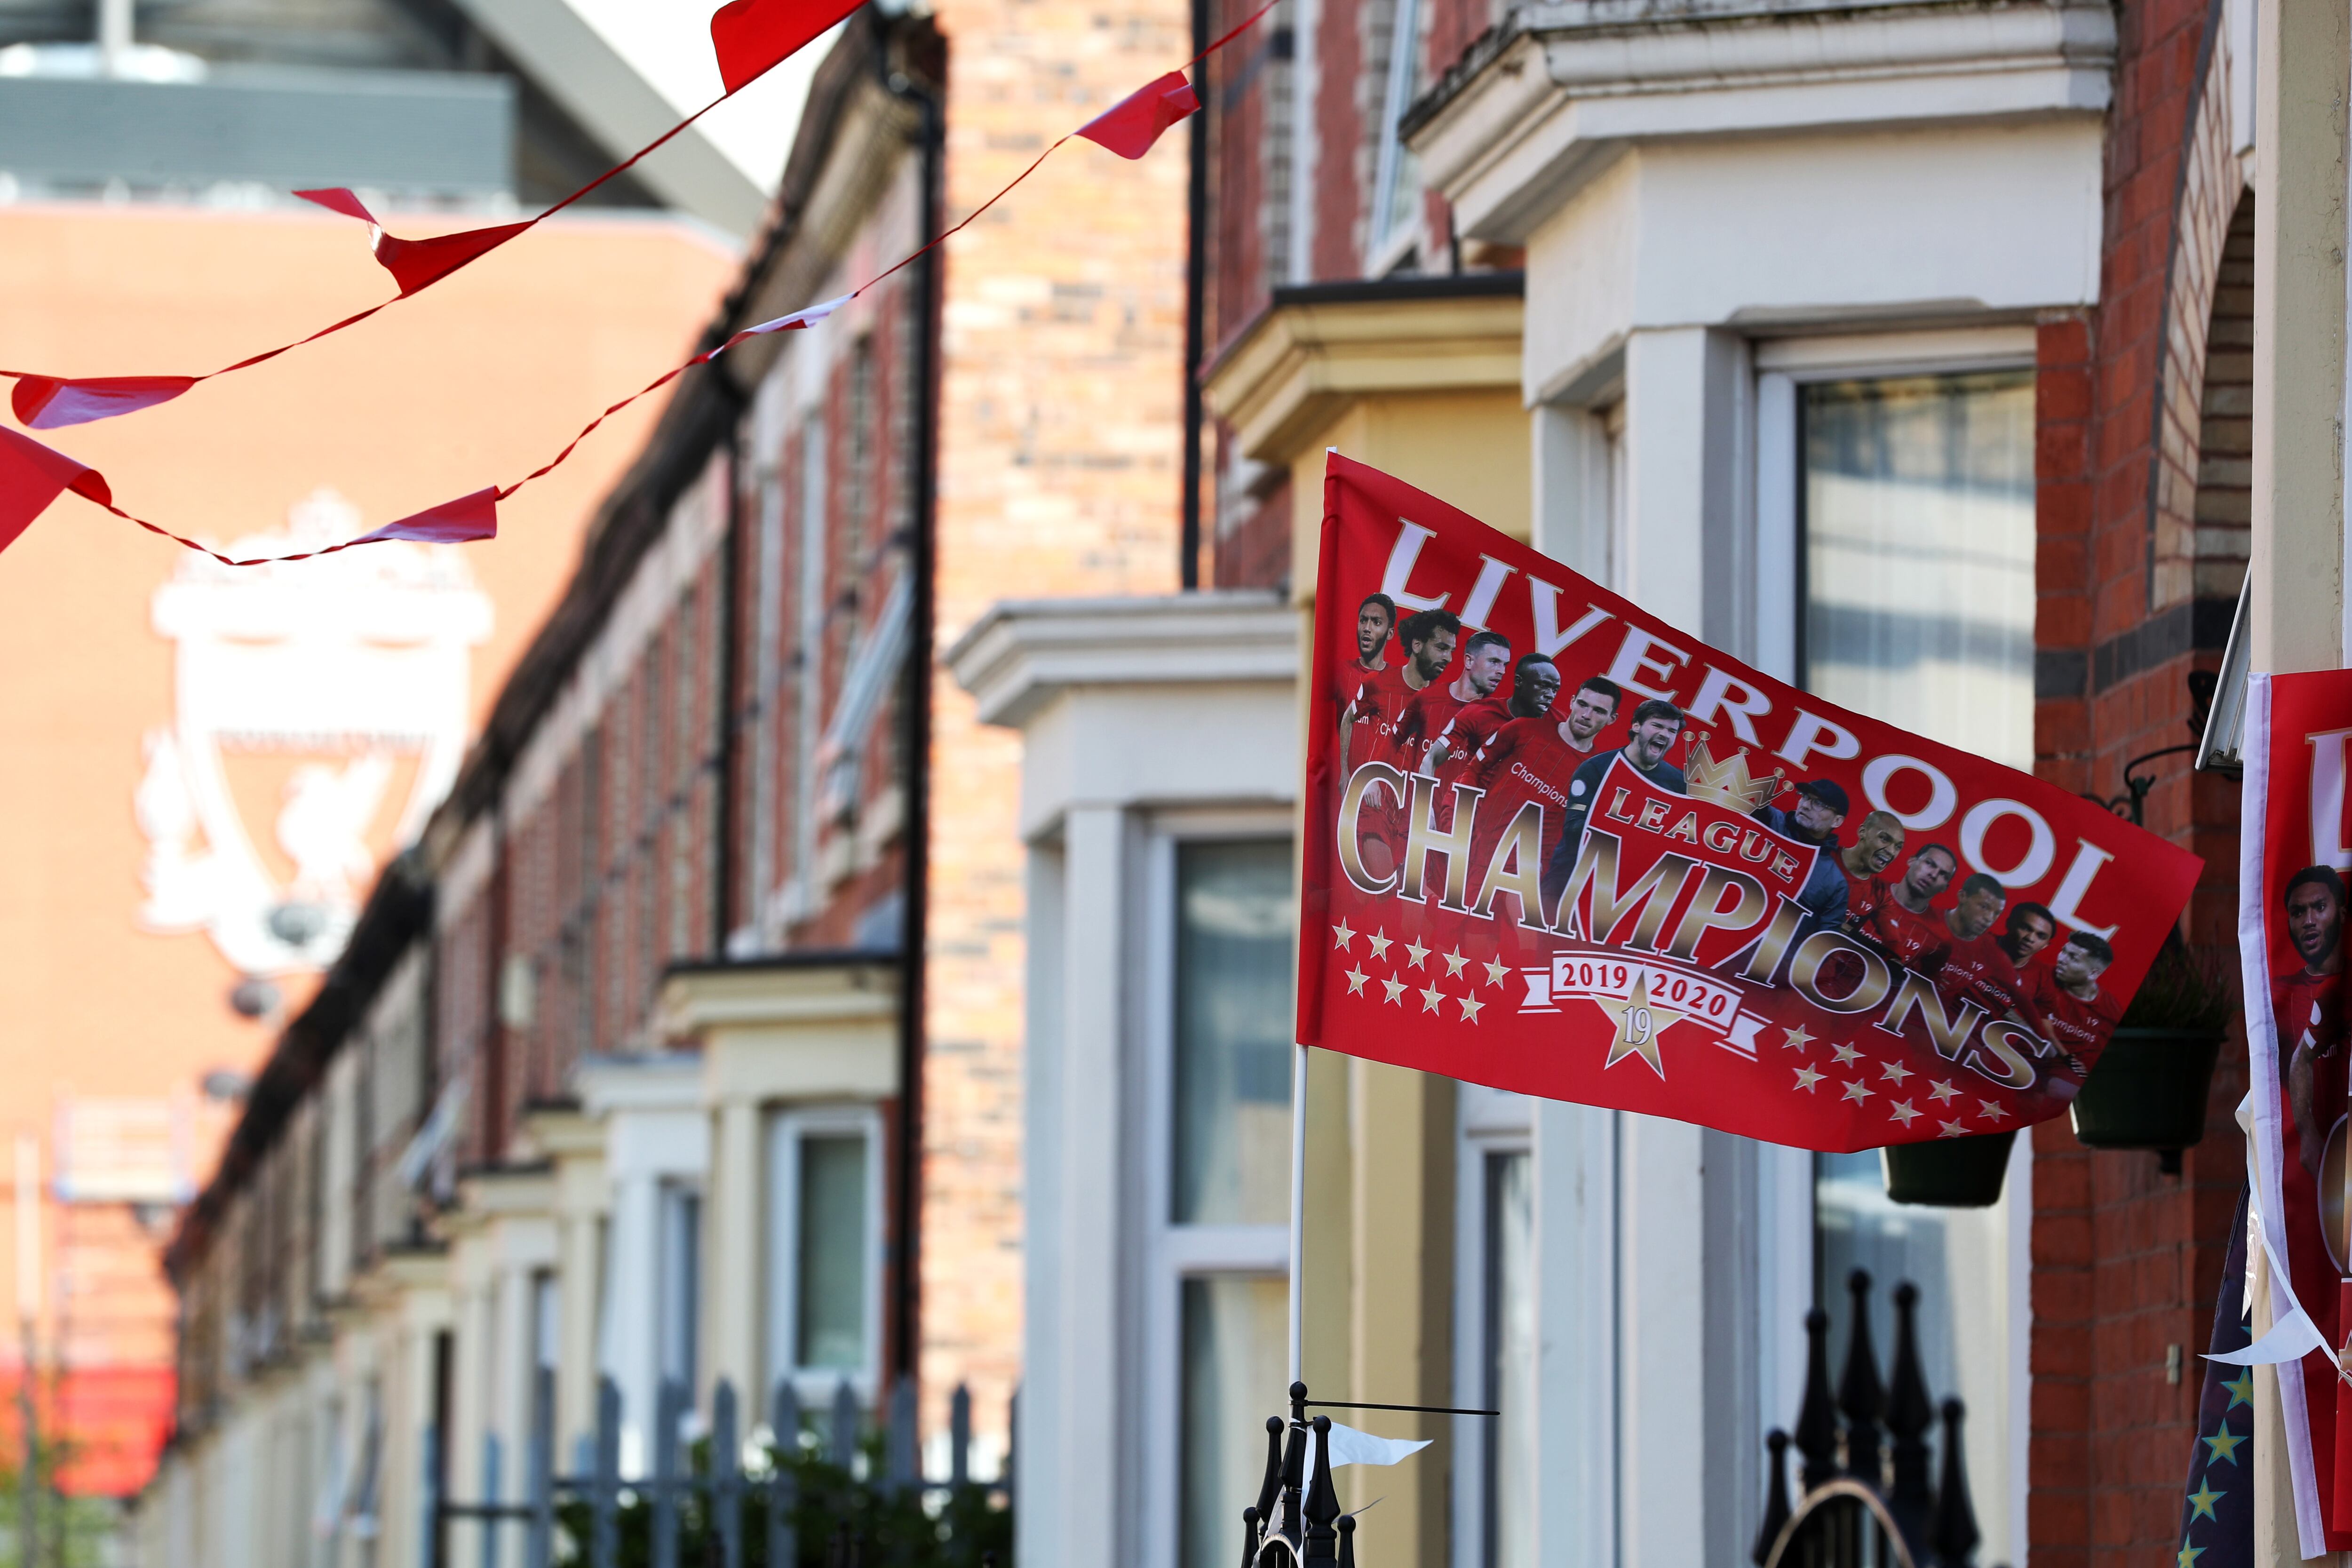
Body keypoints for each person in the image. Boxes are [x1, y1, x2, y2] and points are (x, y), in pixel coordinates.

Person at [1542, 697, 1688, 907]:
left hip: (1625, 899)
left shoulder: (1679, 785)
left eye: (1672, 731)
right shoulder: (1596, 769)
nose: (1664, 734)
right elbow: (1575, 830)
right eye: (1657, 726)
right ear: (1636, 726)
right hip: (1566, 887)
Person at [2276, 866, 2348, 1175]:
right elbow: (2296, 1062)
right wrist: (2307, 1136)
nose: (2308, 921)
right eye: (2298, 912)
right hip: (2317, 1173)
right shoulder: (2276, 996)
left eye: (2319, 907)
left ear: (2342, 913)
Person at [1390, 628, 1510, 776]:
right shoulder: (1427, 698)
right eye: (1494, 662)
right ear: (1469, 661)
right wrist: (1374, 783)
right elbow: (1393, 741)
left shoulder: (1499, 721)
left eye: (1505, 665)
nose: (1502, 671)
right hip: (1416, 797)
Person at [1934, 880, 2045, 1029]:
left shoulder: (1992, 953)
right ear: (1963, 897)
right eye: (1984, 907)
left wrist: (2041, 1037)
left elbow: (2020, 999)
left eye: (1996, 914)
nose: (1989, 918)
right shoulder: (1930, 920)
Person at [1753, 778, 1851, 939]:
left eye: (1819, 804)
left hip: (1770, 957)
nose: (1805, 805)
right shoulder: (1767, 818)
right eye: (1805, 797)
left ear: (1837, 821)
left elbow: (1824, 944)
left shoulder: (1835, 883)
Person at [1848, 843, 1959, 971]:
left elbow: (1923, 983)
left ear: (1945, 887)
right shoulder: (1867, 888)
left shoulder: (1940, 939)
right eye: (1930, 864)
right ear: (1911, 861)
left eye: (1943, 875)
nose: (1933, 875)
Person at [2029, 930, 2123, 1074]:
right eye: (2064, 951)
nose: (2061, 959)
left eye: (2073, 957)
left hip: (2061, 1076)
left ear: (2094, 974)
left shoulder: (2111, 1012)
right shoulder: (2040, 975)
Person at [1335, 592, 1399, 776]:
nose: (1367, 628)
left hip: (1379, 793)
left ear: (1390, 633)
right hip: (1342, 790)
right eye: (1363, 621)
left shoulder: (1398, 684)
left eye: (1376, 623)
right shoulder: (1340, 674)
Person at [1837, 810, 1906, 893]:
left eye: (1898, 847)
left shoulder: (1880, 897)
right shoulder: (1823, 856)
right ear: (1862, 832)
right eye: (1884, 839)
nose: (1891, 852)